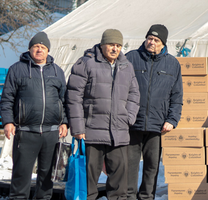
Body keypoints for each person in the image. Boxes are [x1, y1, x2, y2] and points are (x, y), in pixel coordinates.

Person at [66, 29, 140, 200]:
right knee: (88, 184)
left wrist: (128, 118)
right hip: (91, 132)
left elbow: (134, 95)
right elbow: (74, 96)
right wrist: (78, 127)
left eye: (118, 45)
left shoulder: (127, 66)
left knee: (119, 187)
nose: (115, 49)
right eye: (111, 45)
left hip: (119, 134)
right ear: (102, 44)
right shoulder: (86, 63)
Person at [0, 32, 68, 199]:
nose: (39, 50)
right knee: (21, 177)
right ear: (30, 49)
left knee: (46, 180)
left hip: (51, 133)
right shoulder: (17, 69)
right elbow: (7, 98)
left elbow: (65, 100)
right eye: (36, 46)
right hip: (25, 132)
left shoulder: (57, 71)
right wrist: (8, 121)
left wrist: (65, 122)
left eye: (43, 47)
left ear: (48, 50)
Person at [125, 24, 183, 200]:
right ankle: (129, 197)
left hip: (158, 126)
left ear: (163, 43)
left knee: (152, 167)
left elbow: (177, 95)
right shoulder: (131, 58)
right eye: (149, 38)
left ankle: (147, 197)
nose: (151, 42)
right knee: (130, 166)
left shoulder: (172, 64)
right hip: (133, 123)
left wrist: (172, 120)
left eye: (156, 40)